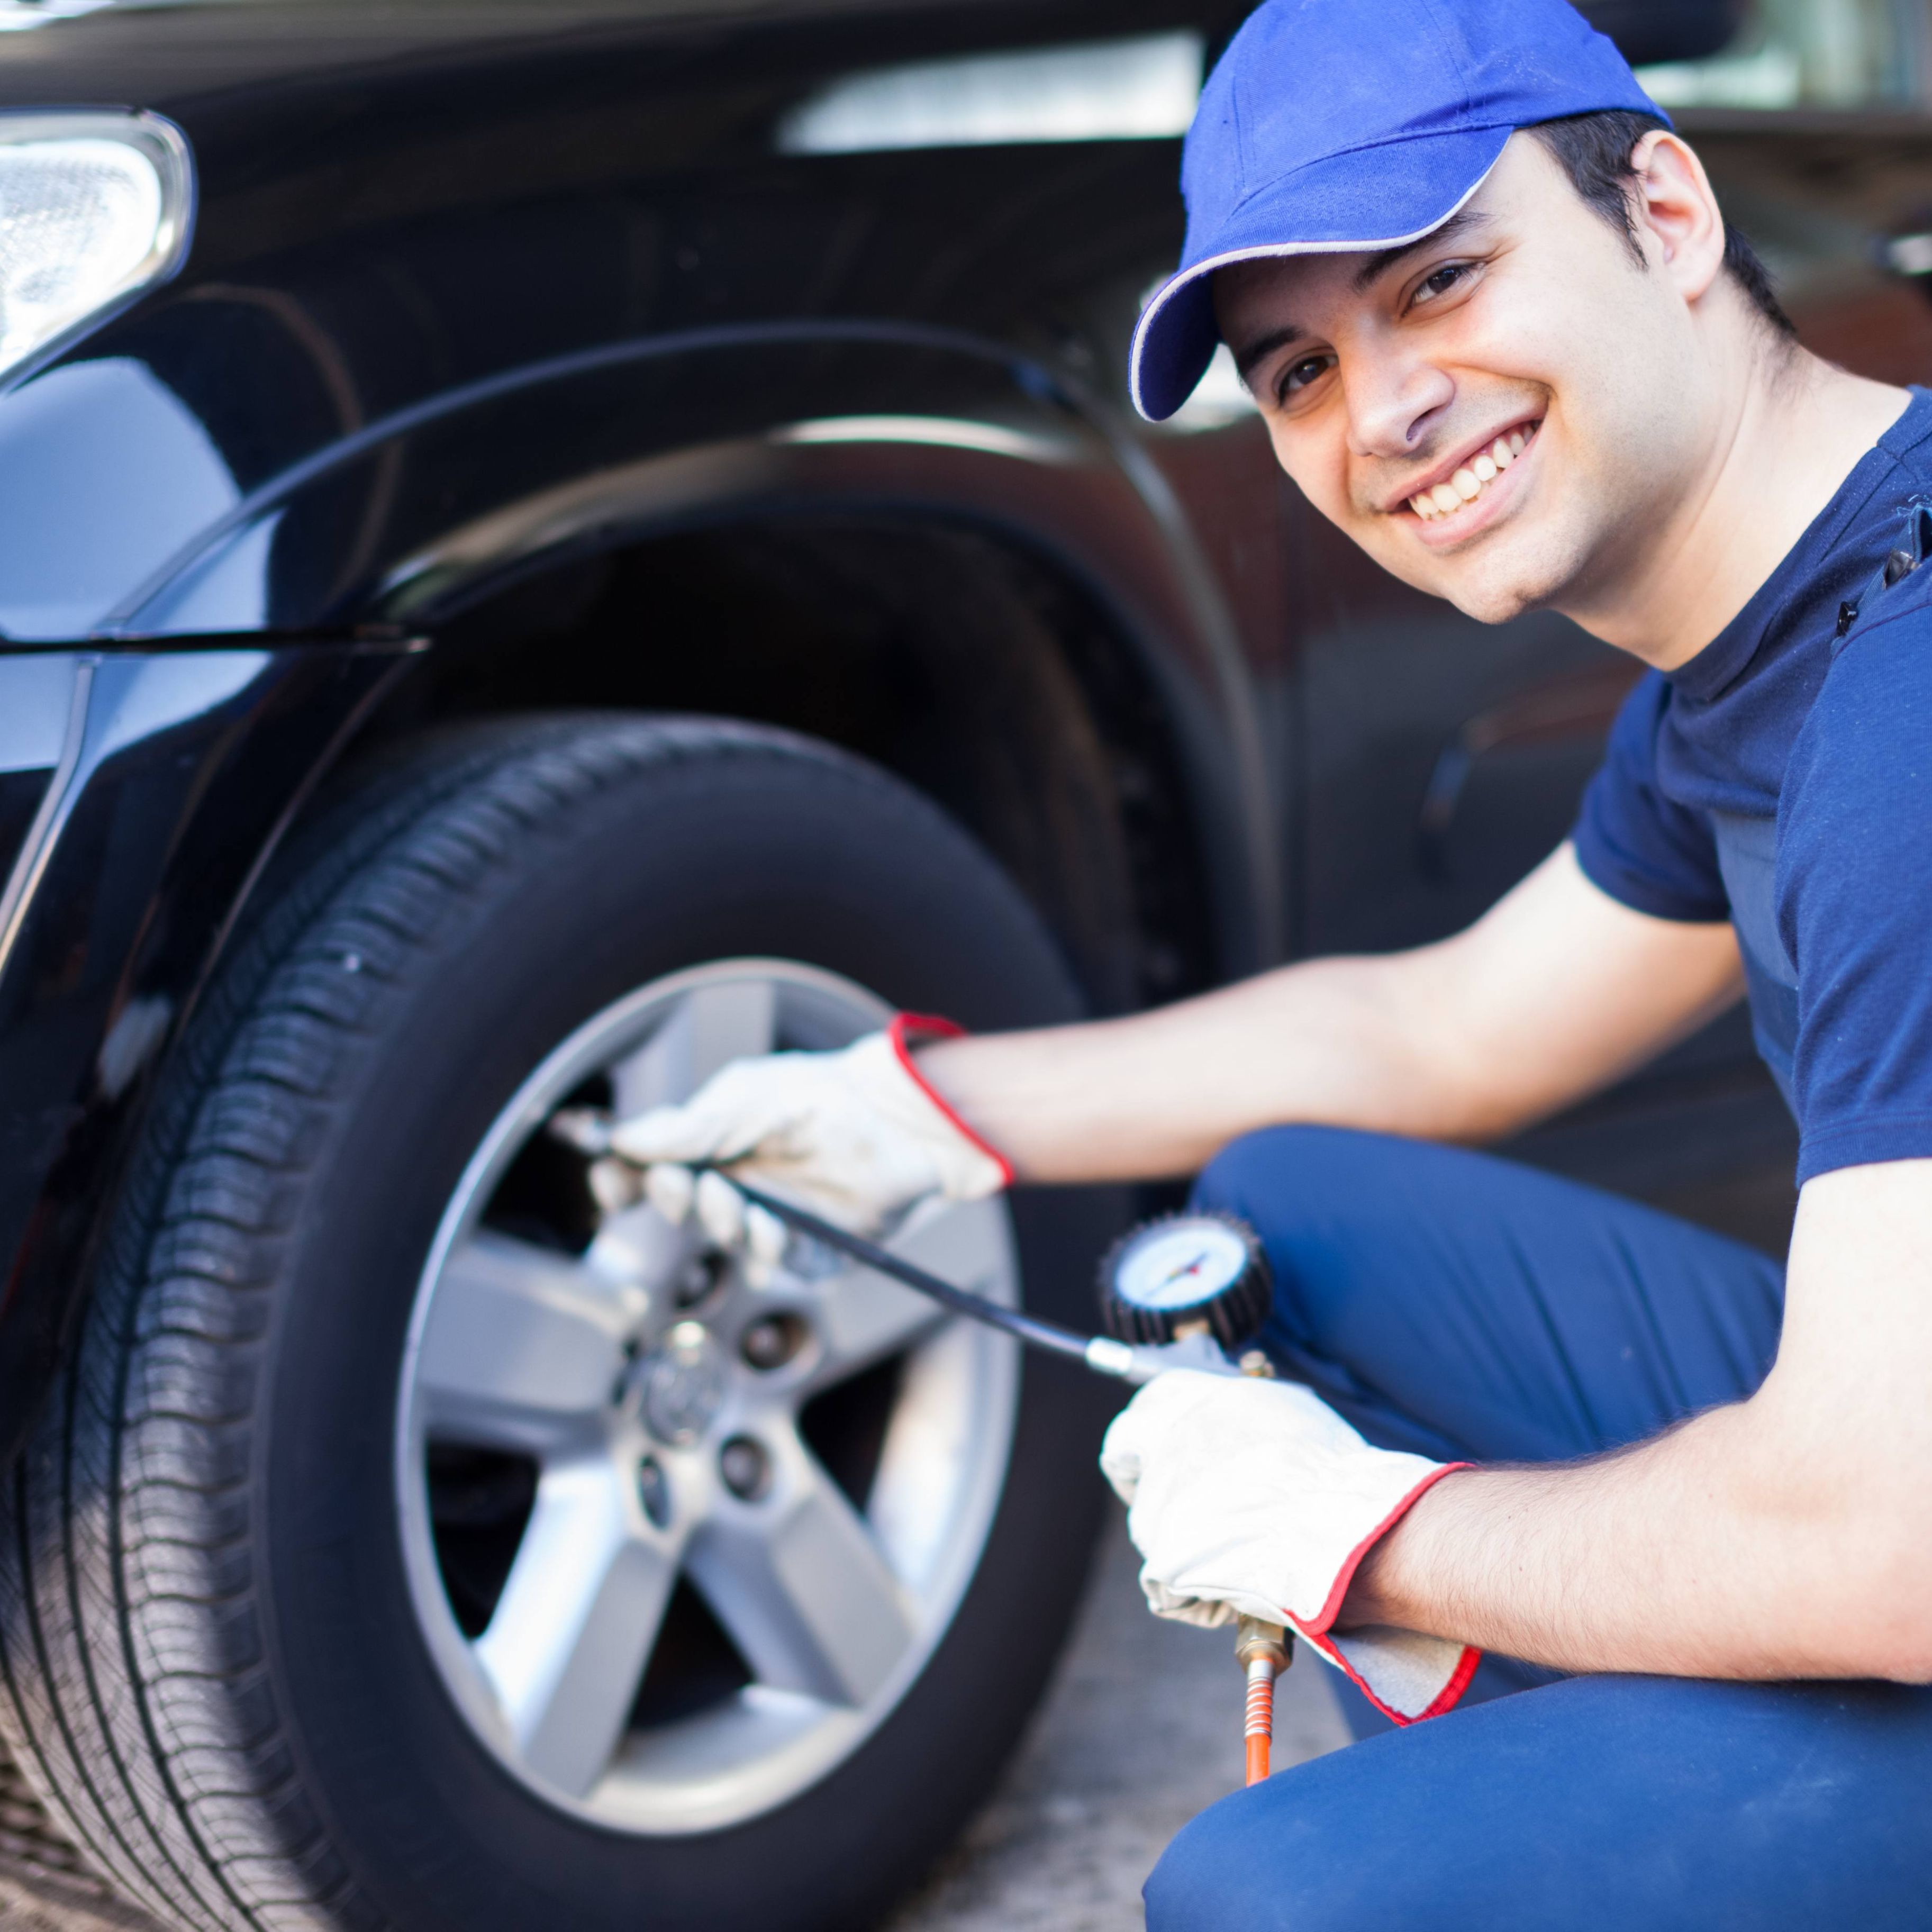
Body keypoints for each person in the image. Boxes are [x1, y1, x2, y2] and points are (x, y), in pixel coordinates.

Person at [609, 0, 1932, 1920]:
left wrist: (1372, 1538)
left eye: (1443, 281)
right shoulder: (1773, 622)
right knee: (1287, 1220)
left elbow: (1883, 1547)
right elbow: (1447, 1027)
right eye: (1300, 367)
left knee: (1275, 1897)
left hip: (1900, 1522)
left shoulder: (1900, 722)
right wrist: (912, 1112)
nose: (1380, 412)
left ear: (1663, 208)